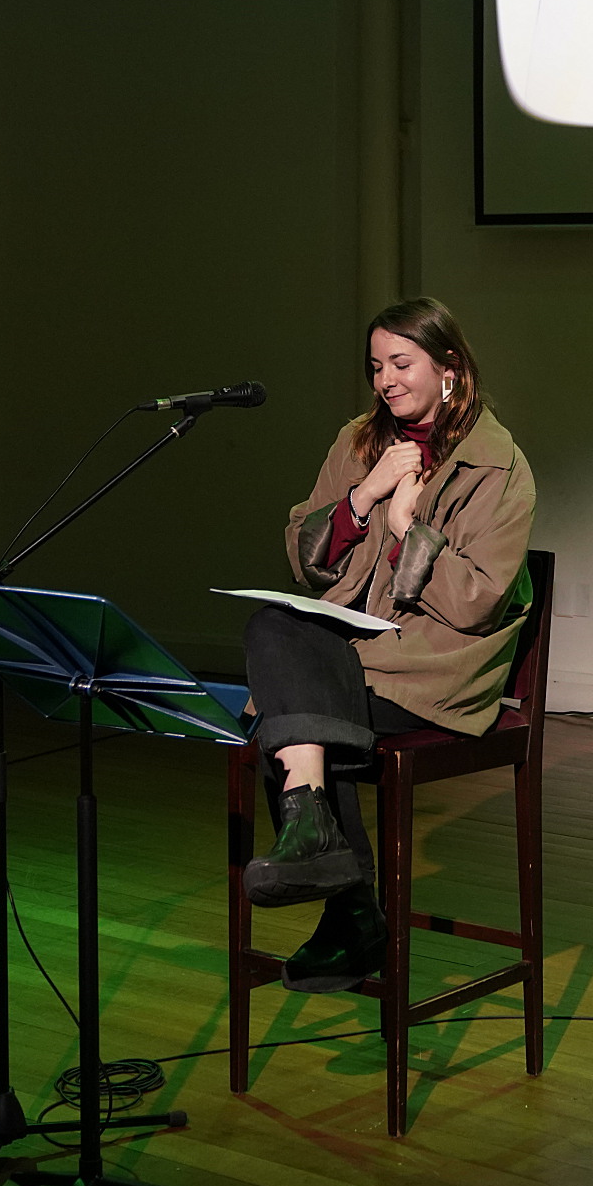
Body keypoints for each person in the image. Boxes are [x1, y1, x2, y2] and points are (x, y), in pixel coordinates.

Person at [238, 296, 538, 992]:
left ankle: (348, 908)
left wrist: (407, 532)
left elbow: (477, 599)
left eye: (401, 364)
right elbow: (302, 553)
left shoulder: (498, 466)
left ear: (449, 367)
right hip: (357, 650)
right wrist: (362, 497)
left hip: (434, 666)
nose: (386, 381)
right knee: (271, 626)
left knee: (286, 713)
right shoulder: (358, 442)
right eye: (376, 367)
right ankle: (325, 851)